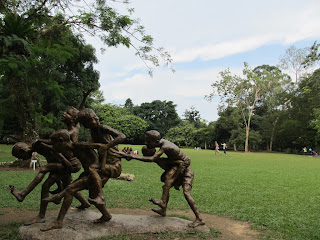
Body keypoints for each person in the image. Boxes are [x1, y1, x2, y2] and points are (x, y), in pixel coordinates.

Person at [120, 130, 204, 228]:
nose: (146, 143)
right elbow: (155, 160)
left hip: (186, 169)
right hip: (180, 165)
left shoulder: (165, 147)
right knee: (166, 184)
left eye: (148, 141)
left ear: (155, 142)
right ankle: (163, 209)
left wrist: (132, 156)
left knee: (184, 191)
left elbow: (180, 163)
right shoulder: (163, 156)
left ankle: (199, 219)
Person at [9, 140, 89, 225]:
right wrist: (59, 185)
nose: (22, 159)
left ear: (22, 151)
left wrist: (62, 163)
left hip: (68, 164)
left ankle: (39, 214)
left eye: (21, 157)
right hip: (65, 164)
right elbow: (54, 158)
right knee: (69, 187)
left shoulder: (37, 146)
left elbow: (56, 151)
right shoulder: (37, 147)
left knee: (45, 183)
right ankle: (84, 203)